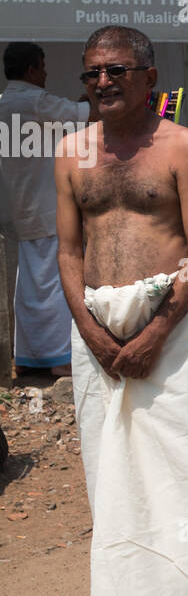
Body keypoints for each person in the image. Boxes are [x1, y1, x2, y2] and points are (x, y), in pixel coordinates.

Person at [55, 26, 188, 596]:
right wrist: (95, 332)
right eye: (91, 74)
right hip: (98, 340)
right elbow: (69, 253)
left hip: (174, 330)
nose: (102, 83)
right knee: (117, 478)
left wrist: (157, 330)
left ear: (150, 78)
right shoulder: (71, 153)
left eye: (116, 71)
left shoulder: (182, 147)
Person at [0, 41, 90, 377]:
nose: (47, 73)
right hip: (47, 207)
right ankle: (58, 358)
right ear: (31, 69)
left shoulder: (5, 102)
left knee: (28, 287)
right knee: (55, 284)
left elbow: (67, 116)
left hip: (19, 210)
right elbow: (86, 116)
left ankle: (27, 356)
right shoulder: (35, 101)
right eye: (43, 66)